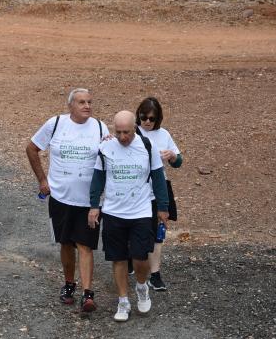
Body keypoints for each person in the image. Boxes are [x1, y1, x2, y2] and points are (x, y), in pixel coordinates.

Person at [26, 88, 109, 312]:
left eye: (90, 102)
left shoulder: (100, 127)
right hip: (61, 197)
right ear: (70, 105)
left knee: (85, 244)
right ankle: (69, 284)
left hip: (88, 200)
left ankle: (88, 293)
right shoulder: (55, 124)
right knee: (65, 243)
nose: (87, 106)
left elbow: (109, 159)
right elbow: (32, 148)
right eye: (82, 102)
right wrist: (42, 180)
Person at [88, 110, 169, 322]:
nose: (123, 137)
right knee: (118, 257)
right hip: (114, 211)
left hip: (141, 211)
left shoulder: (147, 146)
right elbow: (98, 177)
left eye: (127, 132)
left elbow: (158, 176)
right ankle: (123, 300)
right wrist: (94, 205)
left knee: (141, 257)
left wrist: (163, 206)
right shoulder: (105, 147)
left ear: (135, 128)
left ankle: (142, 286)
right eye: (119, 132)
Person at [133, 97, 182, 291]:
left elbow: (178, 162)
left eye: (151, 119)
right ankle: (132, 259)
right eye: (143, 117)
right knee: (135, 227)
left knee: (158, 231)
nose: (146, 121)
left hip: (159, 187)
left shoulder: (164, 135)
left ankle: (155, 274)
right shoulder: (131, 132)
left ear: (158, 118)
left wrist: (172, 156)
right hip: (136, 188)